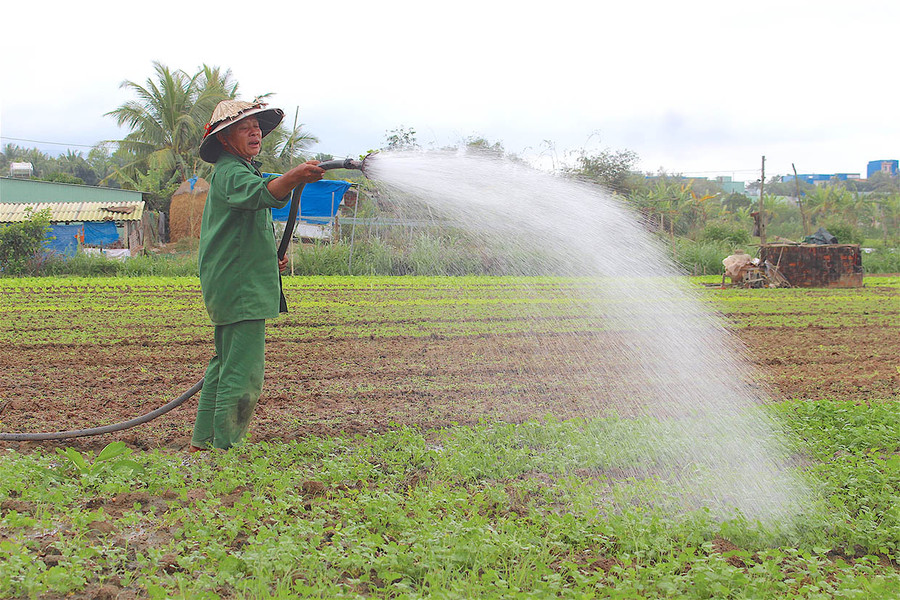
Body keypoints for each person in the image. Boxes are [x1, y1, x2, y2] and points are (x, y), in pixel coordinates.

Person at [190, 99, 323, 451]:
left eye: (257, 126)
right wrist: (294, 176)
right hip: (239, 287)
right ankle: (224, 449)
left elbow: (247, 224)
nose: (254, 132)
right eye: (243, 127)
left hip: (237, 280)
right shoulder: (231, 172)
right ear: (224, 139)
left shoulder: (241, 170)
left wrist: (268, 259)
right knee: (244, 374)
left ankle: (204, 443)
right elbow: (263, 194)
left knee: (224, 367)